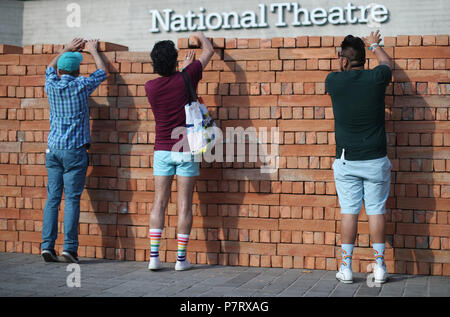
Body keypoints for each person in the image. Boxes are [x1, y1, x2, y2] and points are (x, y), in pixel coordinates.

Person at [325, 30, 392, 284]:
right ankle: (379, 267)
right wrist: (375, 44)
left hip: (347, 161)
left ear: (344, 60)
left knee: (349, 212)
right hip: (375, 159)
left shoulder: (333, 82)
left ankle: (346, 268)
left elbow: (344, 74)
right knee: (376, 211)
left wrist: (342, 61)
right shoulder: (377, 77)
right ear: (364, 58)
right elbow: (387, 64)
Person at [145, 32, 214, 271]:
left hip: (162, 150)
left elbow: (169, 84)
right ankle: (180, 260)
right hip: (186, 149)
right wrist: (201, 36)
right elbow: (209, 51)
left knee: (159, 203)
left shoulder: (150, 87)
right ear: (175, 60)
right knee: (184, 205)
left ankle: (154, 258)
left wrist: (181, 70)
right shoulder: (187, 77)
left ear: (154, 63)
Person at [41, 38, 107, 263]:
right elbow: (102, 72)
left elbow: (49, 68)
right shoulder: (81, 86)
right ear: (78, 70)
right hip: (75, 151)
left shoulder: (51, 84)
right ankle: (69, 248)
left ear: (61, 69)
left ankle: (47, 246)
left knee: (52, 199)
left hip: (53, 150)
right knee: (71, 200)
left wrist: (66, 49)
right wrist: (94, 51)